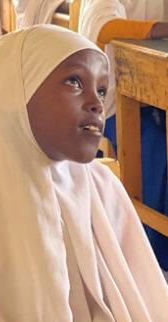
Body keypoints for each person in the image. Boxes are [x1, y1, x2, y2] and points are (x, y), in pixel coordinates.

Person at [0, 25, 168, 322]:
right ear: (15, 91)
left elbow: (152, 312)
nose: (96, 104)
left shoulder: (102, 186)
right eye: (74, 82)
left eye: (101, 89)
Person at [80, 0, 168, 269]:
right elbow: (104, 26)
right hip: (116, 102)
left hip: (153, 95)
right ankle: (151, 255)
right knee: (156, 152)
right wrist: (159, 29)